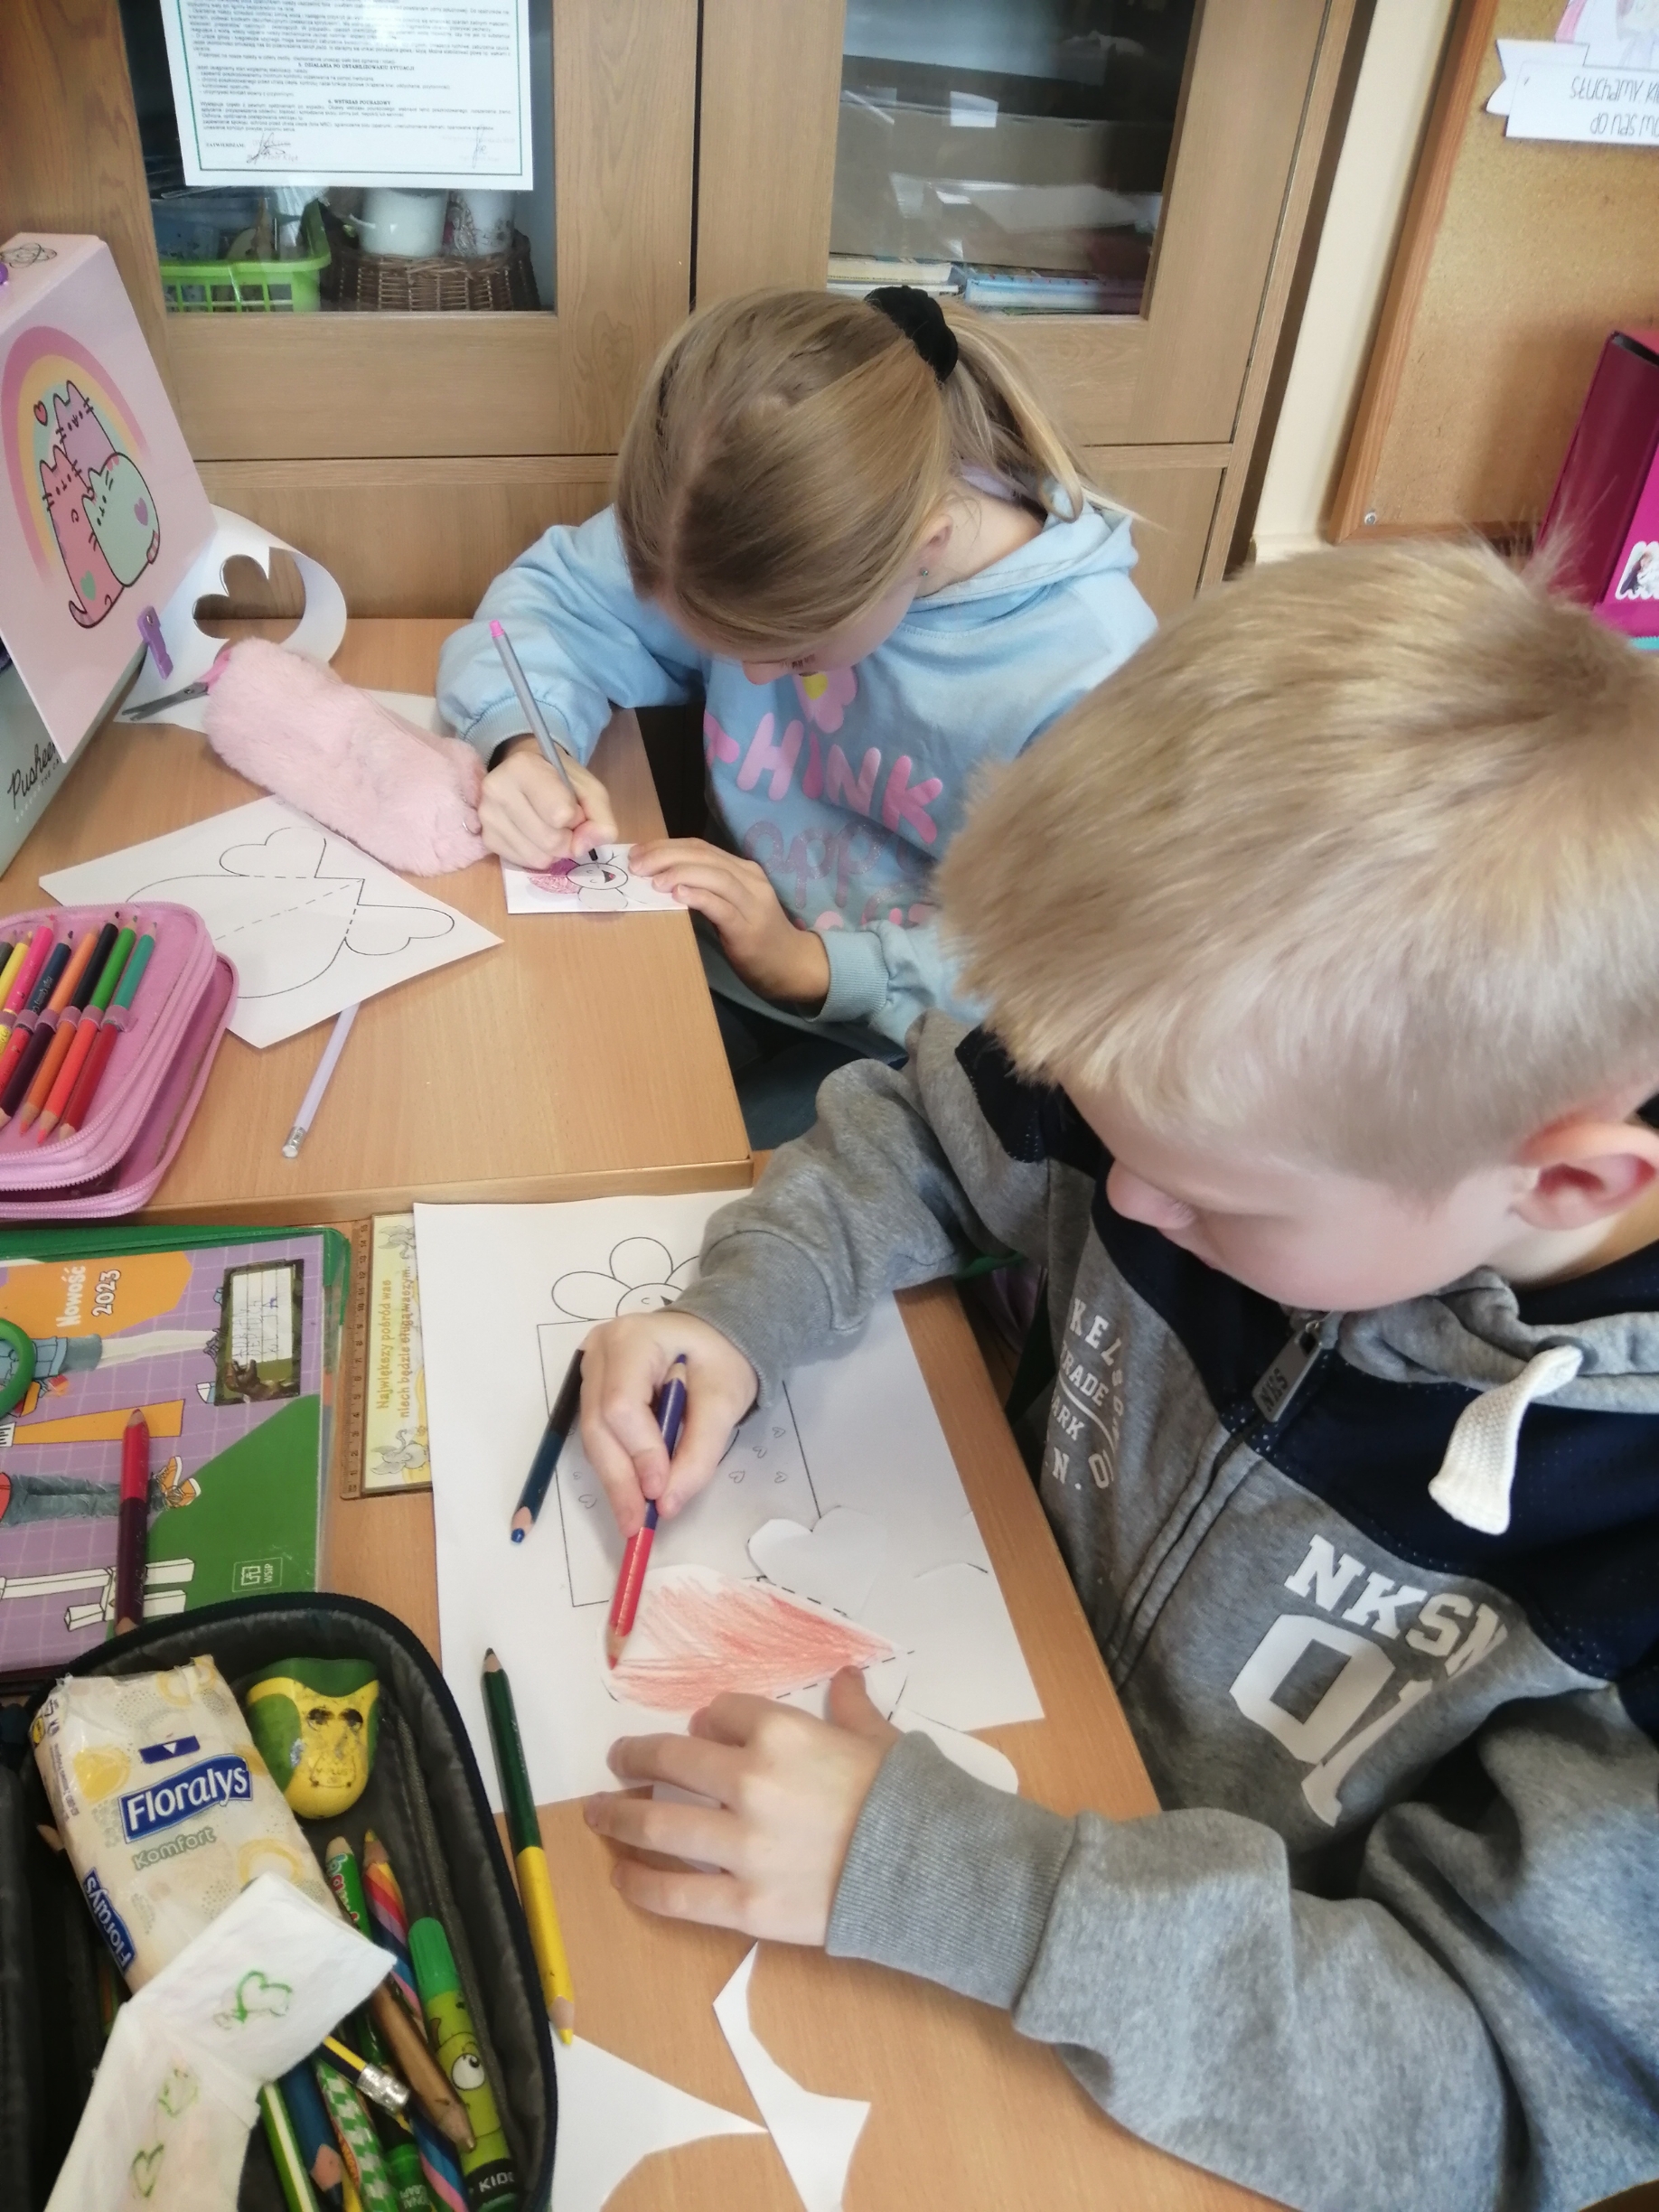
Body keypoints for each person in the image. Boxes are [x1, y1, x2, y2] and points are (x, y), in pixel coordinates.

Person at [573, 539, 1659, 2212]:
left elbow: (1479, 2093)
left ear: (1567, 1180)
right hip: (999, 1719)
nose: (1115, 1200)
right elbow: (933, 1126)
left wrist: (973, 1888)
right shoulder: (1218, 1073)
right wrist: (742, 1310)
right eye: (1097, 1127)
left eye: (1211, 1201)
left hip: (1176, 2067)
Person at [436, 286, 1154, 1144]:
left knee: (691, 1172)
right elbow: (551, 607)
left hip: (924, 1047)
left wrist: (813, 965)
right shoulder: (736, 520)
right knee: (528, 1096)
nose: (749, 677)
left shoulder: (1090, 677)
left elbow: (1074, 966)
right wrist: (527, 742)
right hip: (726, 960)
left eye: (795, 653)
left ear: (923, 550)